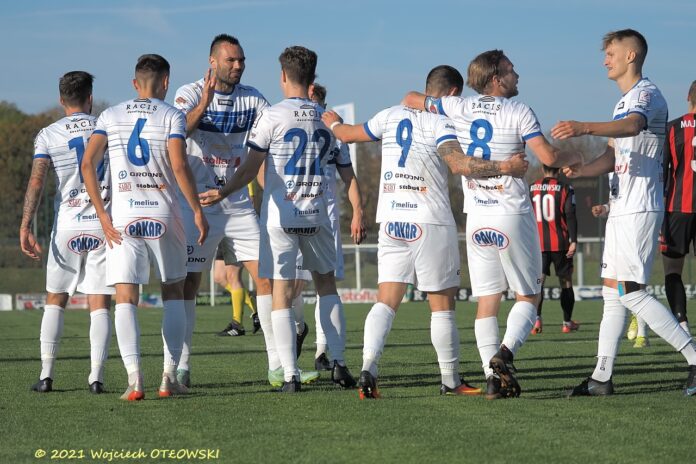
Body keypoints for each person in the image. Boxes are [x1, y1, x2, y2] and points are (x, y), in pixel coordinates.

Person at [325, 65, 530, 398]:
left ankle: (368, 370)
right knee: (442, 306)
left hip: (392, 220)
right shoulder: (441, 122)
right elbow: (459, 164)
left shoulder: (389, 115)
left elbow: (347, 135)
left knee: (386, 301)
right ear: (452, 93)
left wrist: (333, 123)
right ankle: (450, 380)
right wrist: (505, 167)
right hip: (429, 221)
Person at [403, 51, 581, 399]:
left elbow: (410, 98)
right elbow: (548, 157)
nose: (518, 76)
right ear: (496, 79)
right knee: (528, 295)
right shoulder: (519, 110)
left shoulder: (458, 106)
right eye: (512, 71)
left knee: (487, 301)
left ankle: (492, 379)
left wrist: (434, 108)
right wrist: (575, 156)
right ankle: (505, 354)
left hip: (477, 218)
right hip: (510, 214)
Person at [552, 29, 696, 396]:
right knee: (613, 295)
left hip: (640, 206)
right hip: (621, 208)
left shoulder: (647, 94)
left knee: (631, 293)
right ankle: (601, 377)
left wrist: (583, 127)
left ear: (631, 56)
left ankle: (694, 358)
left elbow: (634, 126)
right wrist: (582, 171)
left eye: (611, 53)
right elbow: (612, 155)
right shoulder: (622, 103)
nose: (605, 60)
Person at [200, 45, 352, 392]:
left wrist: (223, 192)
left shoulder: (272, 116)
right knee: (326, 287)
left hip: (282, 217)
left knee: (281, 293)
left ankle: (290, 374)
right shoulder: (327, 119)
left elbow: (249, 168)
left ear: (283, 76)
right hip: (318, 215)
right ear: (312, 78)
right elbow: (344, 171)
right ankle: (340, 363)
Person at [81, 54, 208, 400]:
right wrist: (197, 210)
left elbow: (87, 163)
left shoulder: (110, 115)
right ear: (166, 82)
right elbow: (179, 165)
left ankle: (134, 380)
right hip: (165, 215)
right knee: (174, 291)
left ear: (135, 83)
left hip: (123, 219)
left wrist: (102, 214)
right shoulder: (172, 115)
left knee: (126, 297)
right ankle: (168, 378)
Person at [20, 71, 113, 394]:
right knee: (99, 301)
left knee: (56, 299)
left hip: (68, 225)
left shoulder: (48, 134)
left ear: (62, 100)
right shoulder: (106, 126)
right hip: (104, 223)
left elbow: (37, 181)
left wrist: (26, 224)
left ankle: (46, 375)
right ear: (90, 98)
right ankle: (96, 377)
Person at [296, 83, 366, 371]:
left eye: (317, 104)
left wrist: (358, 212)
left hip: (327, 217)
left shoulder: (336, 136)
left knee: (325, 285)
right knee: (291, 285)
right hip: (294, 213)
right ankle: (298, 329)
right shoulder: (290, 124)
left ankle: (322, 352)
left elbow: (350, 178)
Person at [660, 80, 696, 338]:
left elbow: (661, 173)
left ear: (688, 97)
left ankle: (682, 325)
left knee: (673, 270)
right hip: (678, 208)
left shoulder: (672, 128)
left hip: (677, 209)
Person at [591, 200, 650, 348]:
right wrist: (605, 207)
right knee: (612, 283)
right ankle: (634, 314)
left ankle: (642, 334)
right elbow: (618, 198)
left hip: (637, 223)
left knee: (636, 283)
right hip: (615, 229)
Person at [529, 165, 579, 334]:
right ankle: (566, 323)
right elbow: (570, 215)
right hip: (561, 244)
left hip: (538, 245)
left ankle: (536, 320)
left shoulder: (531, 188)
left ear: (543, 169)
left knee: (538, 283)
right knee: (566, 283)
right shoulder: (565, 188)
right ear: (558, 170)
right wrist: (574, 241)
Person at [213, 244, 260, 337]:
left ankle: (237, 325)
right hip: (222, 239)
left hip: (235, 239)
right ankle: (257, 311)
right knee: (219, 277)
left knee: (233, 277)